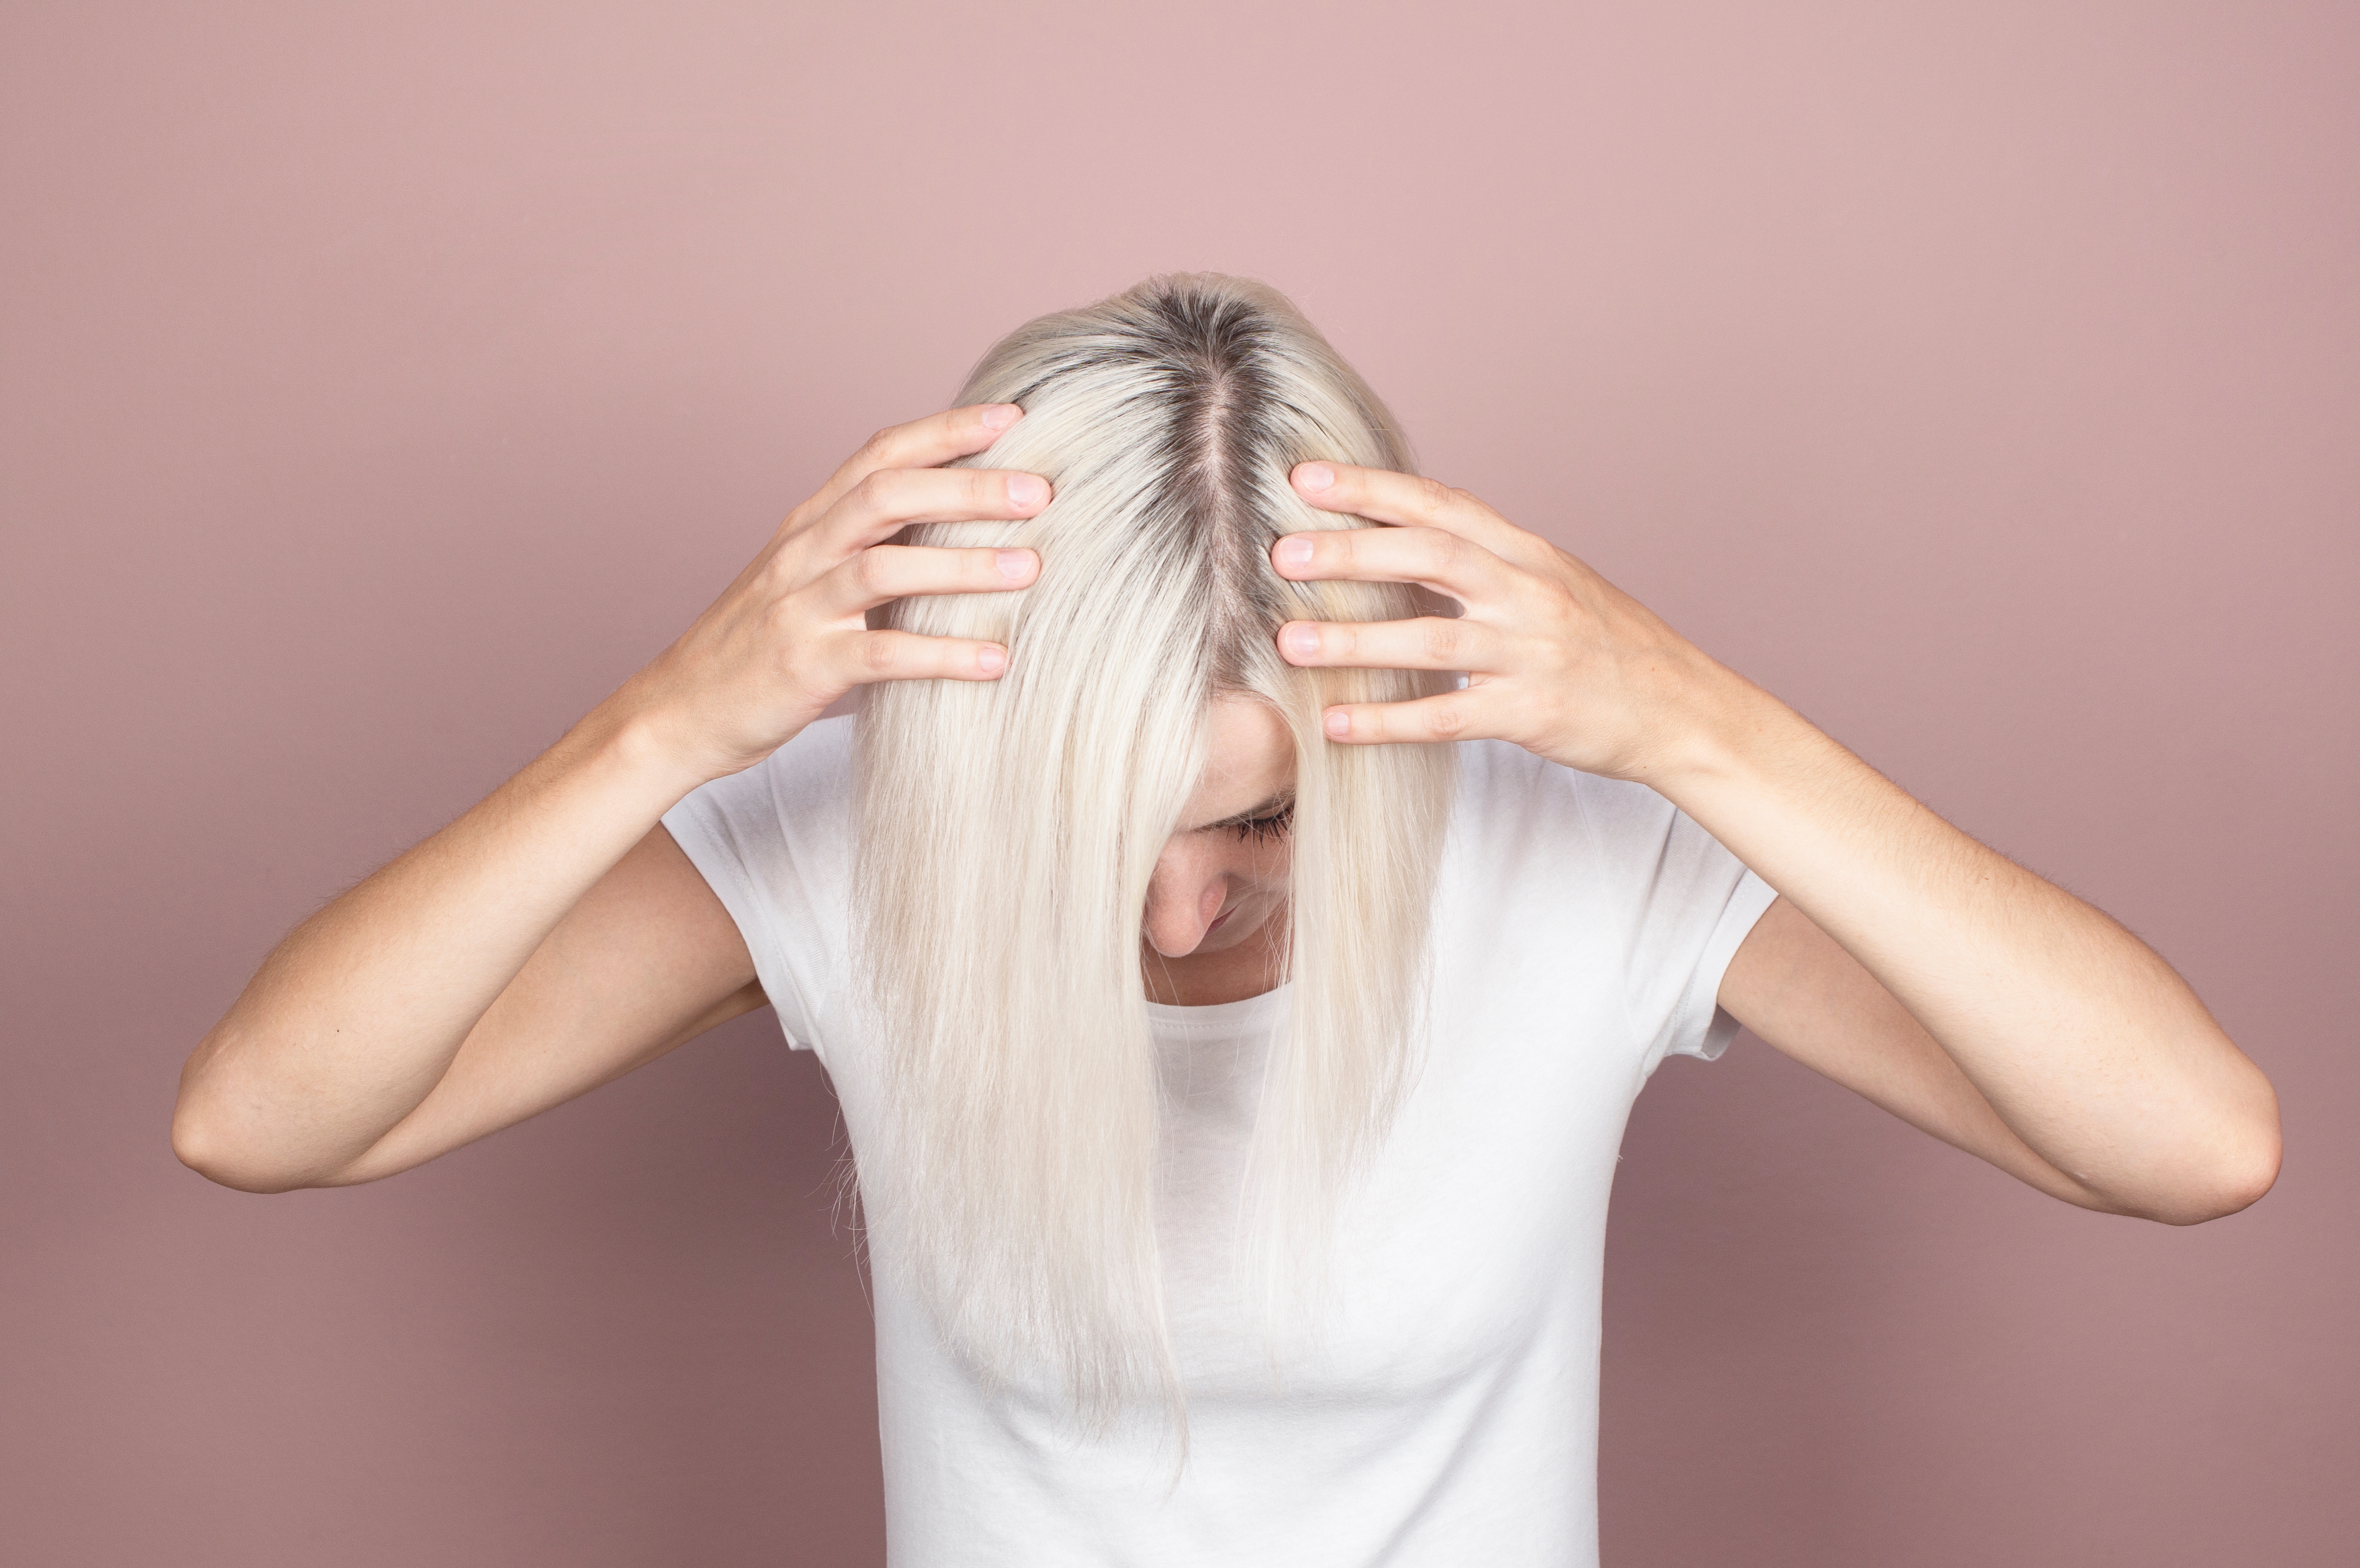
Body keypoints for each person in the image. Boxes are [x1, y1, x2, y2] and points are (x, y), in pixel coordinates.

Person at [172, 274, 2281, 1566]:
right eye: (1088, 834)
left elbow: (2188, 1146)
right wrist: (665, 721)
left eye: (1266, 822)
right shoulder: (862, 847)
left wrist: (1694, 724)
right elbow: (263, 1120)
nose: (1182, 916)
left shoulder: (1570, 853)